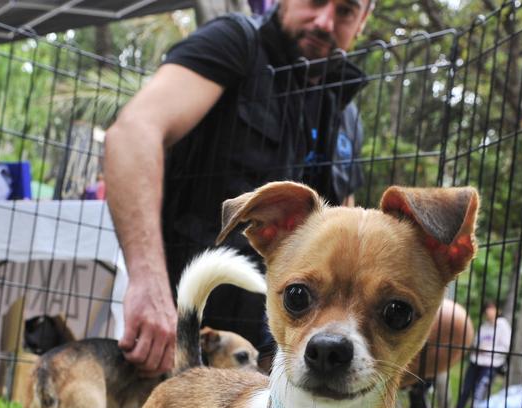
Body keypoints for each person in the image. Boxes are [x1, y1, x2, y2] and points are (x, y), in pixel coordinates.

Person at [104, 0, 372, 375]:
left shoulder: (345, 115)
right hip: (193, 322)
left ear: (363, 20)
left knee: (448, 325)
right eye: (315, 1)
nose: (324, 21)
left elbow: (346, 226)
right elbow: (133, 133)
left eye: (345, 10)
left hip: (288, 336)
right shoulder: (236, 43)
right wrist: (148, 284)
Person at [454, 299, 511, 408]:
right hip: (476, 361)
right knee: (466, 389)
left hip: (491, 364)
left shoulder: (503, 326)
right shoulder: (484, 326)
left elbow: (505, 347)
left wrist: (487, 349)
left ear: (498, 310)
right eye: (487, 309)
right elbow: (476, 341)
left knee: (479, 392)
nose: (488, 312)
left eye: (491, 308)